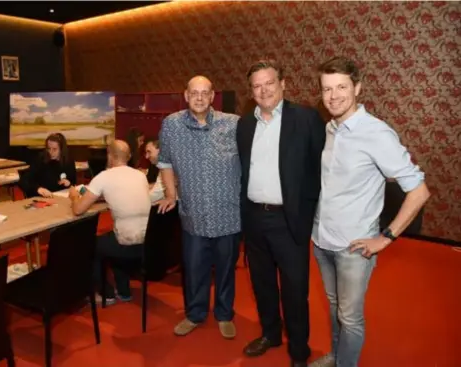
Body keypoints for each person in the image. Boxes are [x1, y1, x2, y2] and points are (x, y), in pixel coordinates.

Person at [309, 57, 430, 367]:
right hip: (322, 239)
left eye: (341, 87)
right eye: (327, 89)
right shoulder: (331, 128)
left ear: (357, 88)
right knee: (335, 306)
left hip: (354, 246)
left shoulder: (376, 133)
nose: (333, 96)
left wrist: (385, 238)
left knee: (350, 318)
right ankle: (337, 356)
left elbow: (419, 191)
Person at [236, 59, 326, 367]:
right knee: (261, 283)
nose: (263, 90)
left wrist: (311, 213)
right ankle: (270, 334)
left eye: (269, 83)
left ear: (283, 83)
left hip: (289, 220)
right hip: (254, 218)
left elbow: (319, 170)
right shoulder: (245, 124)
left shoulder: (306, 118)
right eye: (256, 86)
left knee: (295, 289)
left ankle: (299, 350)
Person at [157, 75, 241, 340]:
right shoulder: (171, 125)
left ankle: (225, 314)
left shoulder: (233, 124)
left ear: (213, 95)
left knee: (226, 269)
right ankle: (195, 314)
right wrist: (171, 193)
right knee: (194, 270)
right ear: (186, 95)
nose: (200, 97)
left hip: (228, 213)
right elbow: (165, 162)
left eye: (205, 92)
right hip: (193, 213)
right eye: (195, 92)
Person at [70, 140, 151, 305]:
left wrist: (73, 196)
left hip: (125, 244)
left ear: (110, 156)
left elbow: (78, 210)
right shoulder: (140, 175)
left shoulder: (103, 177)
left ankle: (105, 293)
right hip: (148, 244)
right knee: (113, 235)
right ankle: (124, 291)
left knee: (90, 245)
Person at [21, 133, 77, 198]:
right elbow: (24, 180)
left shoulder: (69, 161)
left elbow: (73, 183)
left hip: (61, 198)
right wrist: (38, 189)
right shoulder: (41, 159)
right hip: (42, 199)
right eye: (48, 148)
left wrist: (69, 184)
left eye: (54, 149)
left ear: (62, 149)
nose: (51, 152)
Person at [143, 138, 165, 203]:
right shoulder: (163, 165)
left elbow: (153, 196)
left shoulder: (166, 168)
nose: (146, 157)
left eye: (149, 152)